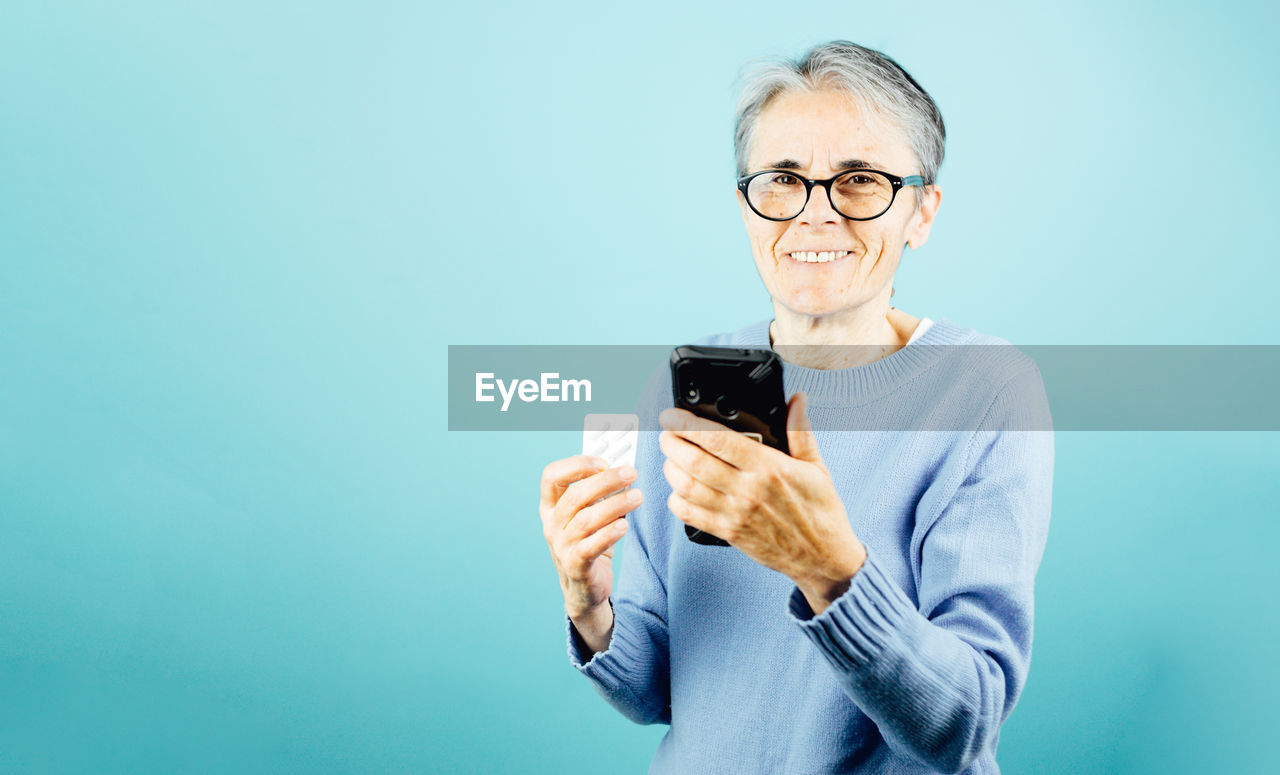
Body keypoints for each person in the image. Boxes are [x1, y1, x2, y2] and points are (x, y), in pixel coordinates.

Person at [538, 40, 1053, 774]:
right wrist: (592, 609)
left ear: (921, 213)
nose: (816, 214)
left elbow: (962, 726)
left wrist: (828, 567)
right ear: (746, 204)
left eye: (861, 180)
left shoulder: (985, 389)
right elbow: (657, 690)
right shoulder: (682, 387)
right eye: (783, 178)